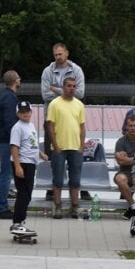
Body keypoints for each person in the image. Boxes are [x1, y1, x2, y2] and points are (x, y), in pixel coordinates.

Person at [40, 43, 84, 200]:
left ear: (67, 53)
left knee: (74, 165)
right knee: (52, 159)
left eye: (60, 54)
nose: (58, 57)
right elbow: (45, 95)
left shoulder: (77, 70)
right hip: (51, 119)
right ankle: (51, 193)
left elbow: (80, 93)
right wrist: (66, 93)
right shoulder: (47, 71)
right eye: (55, 54)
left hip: (71, 121)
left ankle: (74, 201)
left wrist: (57, 90)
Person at [46, 77, 86, 219]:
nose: (72, 88)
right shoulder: (54, 104)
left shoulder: (79, 105)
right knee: (58, 179)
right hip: (59, 148)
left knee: (75, 180)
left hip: (75, 148)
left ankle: (74, 207)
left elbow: (82, 127)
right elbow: (50, 126)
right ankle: (57, 206)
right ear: (63, 87)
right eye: (69, 86)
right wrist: (55, 145)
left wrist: (82, 146)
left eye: (74, 86)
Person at [9, 100, 43, 235]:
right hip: (22, 162)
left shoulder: (31, 125)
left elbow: (31, 142)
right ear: (18, 113)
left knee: (27, 194)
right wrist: (17, 166)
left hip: (31, 163)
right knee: (23, 194)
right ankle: (17, 222)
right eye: (22, 112)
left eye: (27, 111)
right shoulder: (17, 127)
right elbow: (14, 147)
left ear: (31, 112)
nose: (25, 114)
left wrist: (40, 153)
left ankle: (21, 221)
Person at [0, 70, 21, 219]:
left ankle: (1, 206)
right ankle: (1, 208)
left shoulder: (0, 95)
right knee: (6, 174)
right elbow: (10, 122)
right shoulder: (10, 97)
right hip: (6, 139)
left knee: (5, 173)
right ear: (15, 81)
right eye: (19, 78)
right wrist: (16, 140)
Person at [113, 113, 135, 218]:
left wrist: (128, 159)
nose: (133, 128)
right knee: (120, 179)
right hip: (125, 172)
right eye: (130, 125)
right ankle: (134, 206)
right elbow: (121, 162)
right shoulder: (120, 142)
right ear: (126, 126)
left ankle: (133, 210)